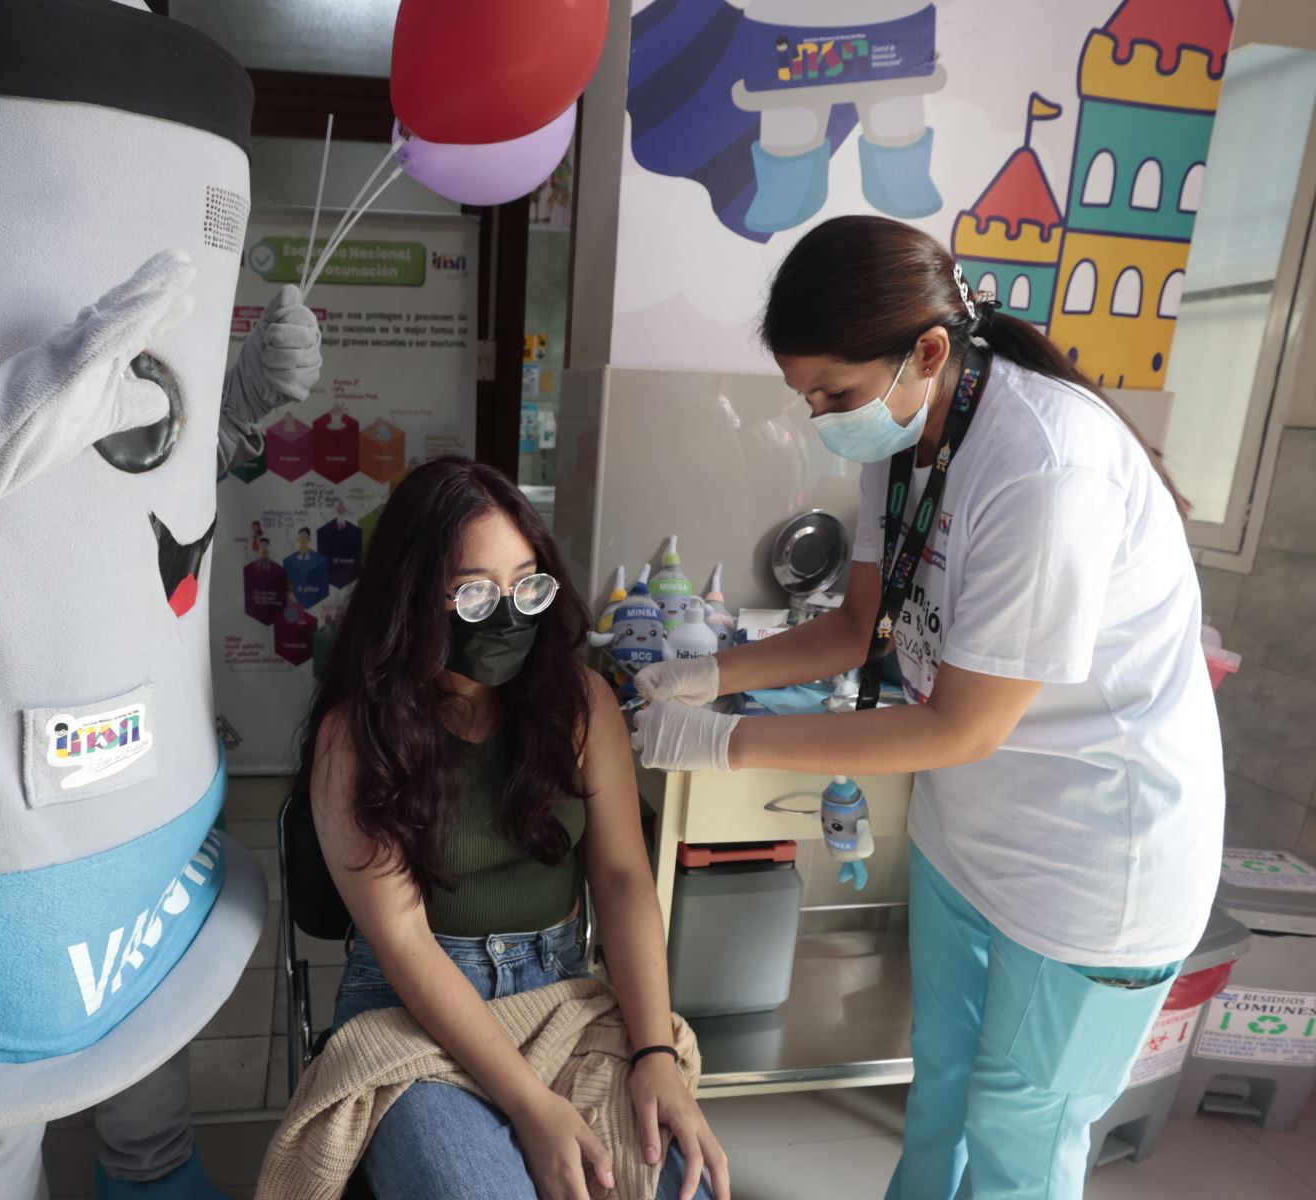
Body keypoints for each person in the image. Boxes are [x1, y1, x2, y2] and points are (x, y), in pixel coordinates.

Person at [632, 215, 1223, 1200]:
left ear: (931, 352)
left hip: (1092, 863)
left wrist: (726, 743)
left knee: (1017, 1139)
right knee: (940, 1090)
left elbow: (963, 725)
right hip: (970, 839)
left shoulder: (1046, 465)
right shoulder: (903, 436)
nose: (822, 417)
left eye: (834, 394)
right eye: (807, 396)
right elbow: (857, 625)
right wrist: (706, 675)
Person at [297, 457, 728, 1200]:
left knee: (669, 1182)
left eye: (526, 585)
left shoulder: (578, 703)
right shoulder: (357, 736)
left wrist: (654, 1052)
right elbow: (404, 940)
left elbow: (623, 878)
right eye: (473, 592)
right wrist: (531, 1106)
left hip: (560, 988)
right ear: (412, 597)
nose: (508, 616)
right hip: (414, 1012)